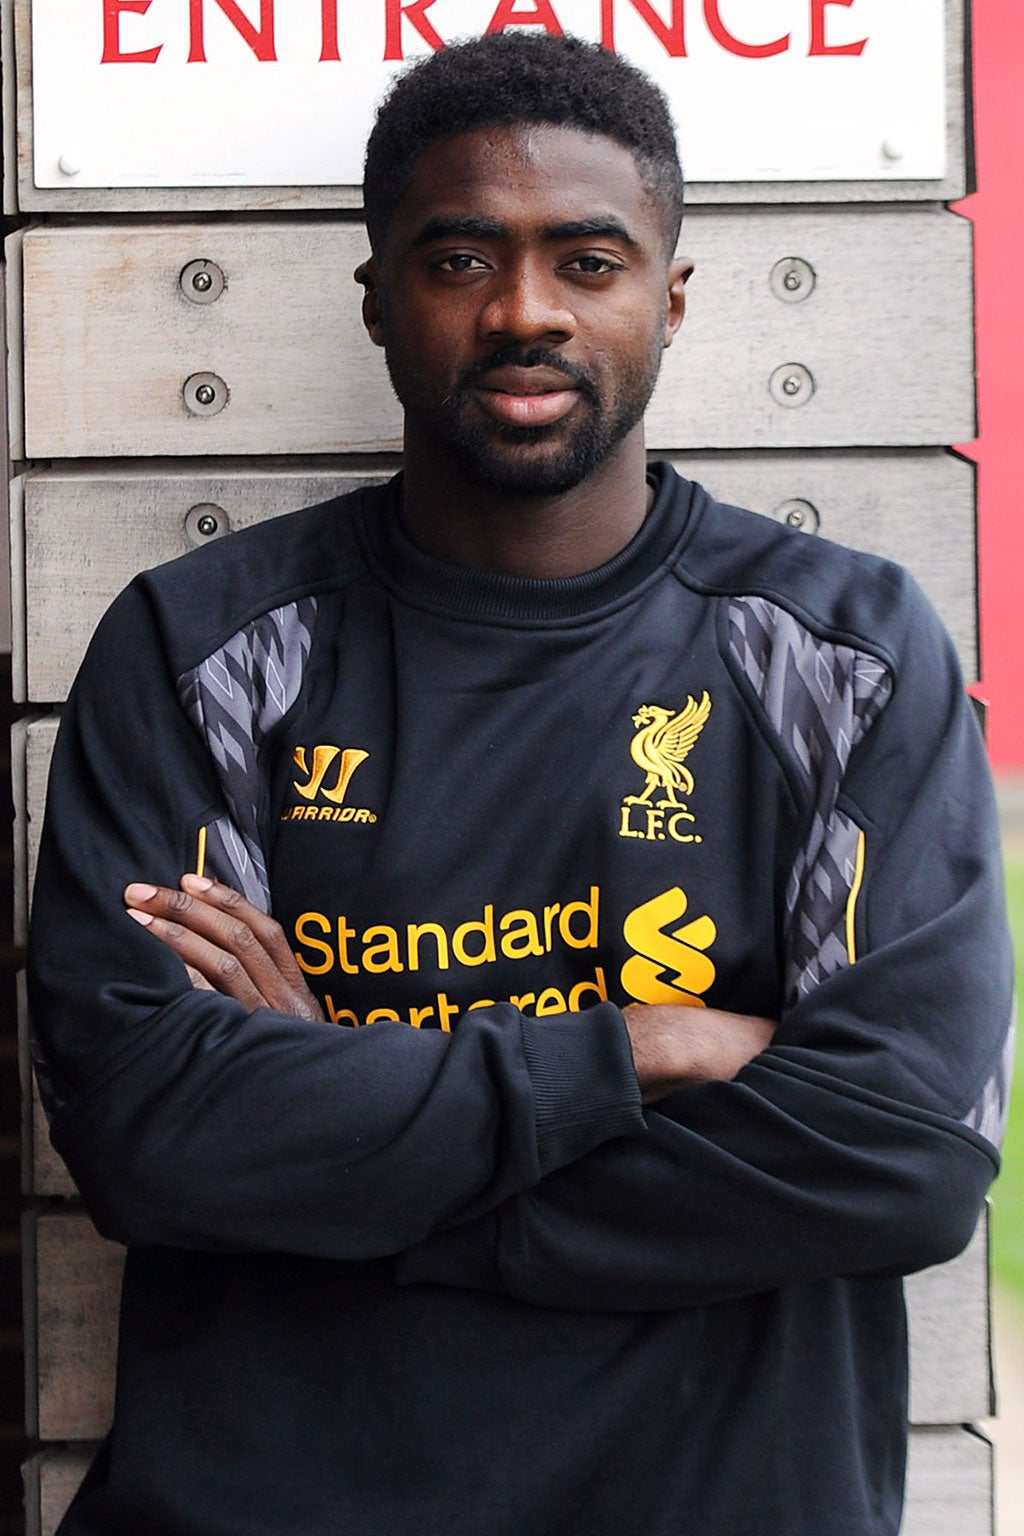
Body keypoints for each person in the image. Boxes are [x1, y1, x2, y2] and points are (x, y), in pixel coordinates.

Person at [28, 31, 1013, 1536]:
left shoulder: (846, 655)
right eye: (460, 257)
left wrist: (357, 1132)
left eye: (592, 260)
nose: (526, 311)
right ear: (377, 297)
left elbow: (902, 1162)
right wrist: (637, 1048)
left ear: (671, 299)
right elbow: (154, 1138)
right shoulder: (205, 648)